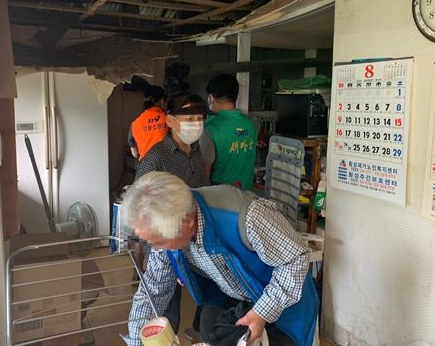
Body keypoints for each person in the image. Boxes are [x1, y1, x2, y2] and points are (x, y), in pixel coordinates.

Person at [121, 172, 319, 346]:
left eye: (159, 242)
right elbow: (153, 290)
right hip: (233, 297)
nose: (156, 249)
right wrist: (136, 341)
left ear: (187, 223)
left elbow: (296, 259)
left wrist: (262, 312)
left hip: (283, 300)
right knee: (209, 324)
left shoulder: (247, 216)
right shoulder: (168, 229)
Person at [134, 93, 216, 341]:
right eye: (189, 119)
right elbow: (140, 205)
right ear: (170, 121)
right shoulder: (156, 158)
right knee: (167, 301)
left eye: (200, 119)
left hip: (197, 236)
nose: (196, 124)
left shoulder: (196, 151)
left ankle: (200, 338)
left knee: (212, 292)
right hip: (167, 241)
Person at [200, 73, 258, 190]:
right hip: (246, 193)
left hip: (220, 195)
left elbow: (205, 172)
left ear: (210, 98)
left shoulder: (210, 127)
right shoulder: (251, 124)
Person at [128, 84, 167, 161]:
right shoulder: (169, 120)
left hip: (145, 165)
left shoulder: (135, 123)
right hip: (165, 164)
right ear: (162, 100)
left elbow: (135, 154)